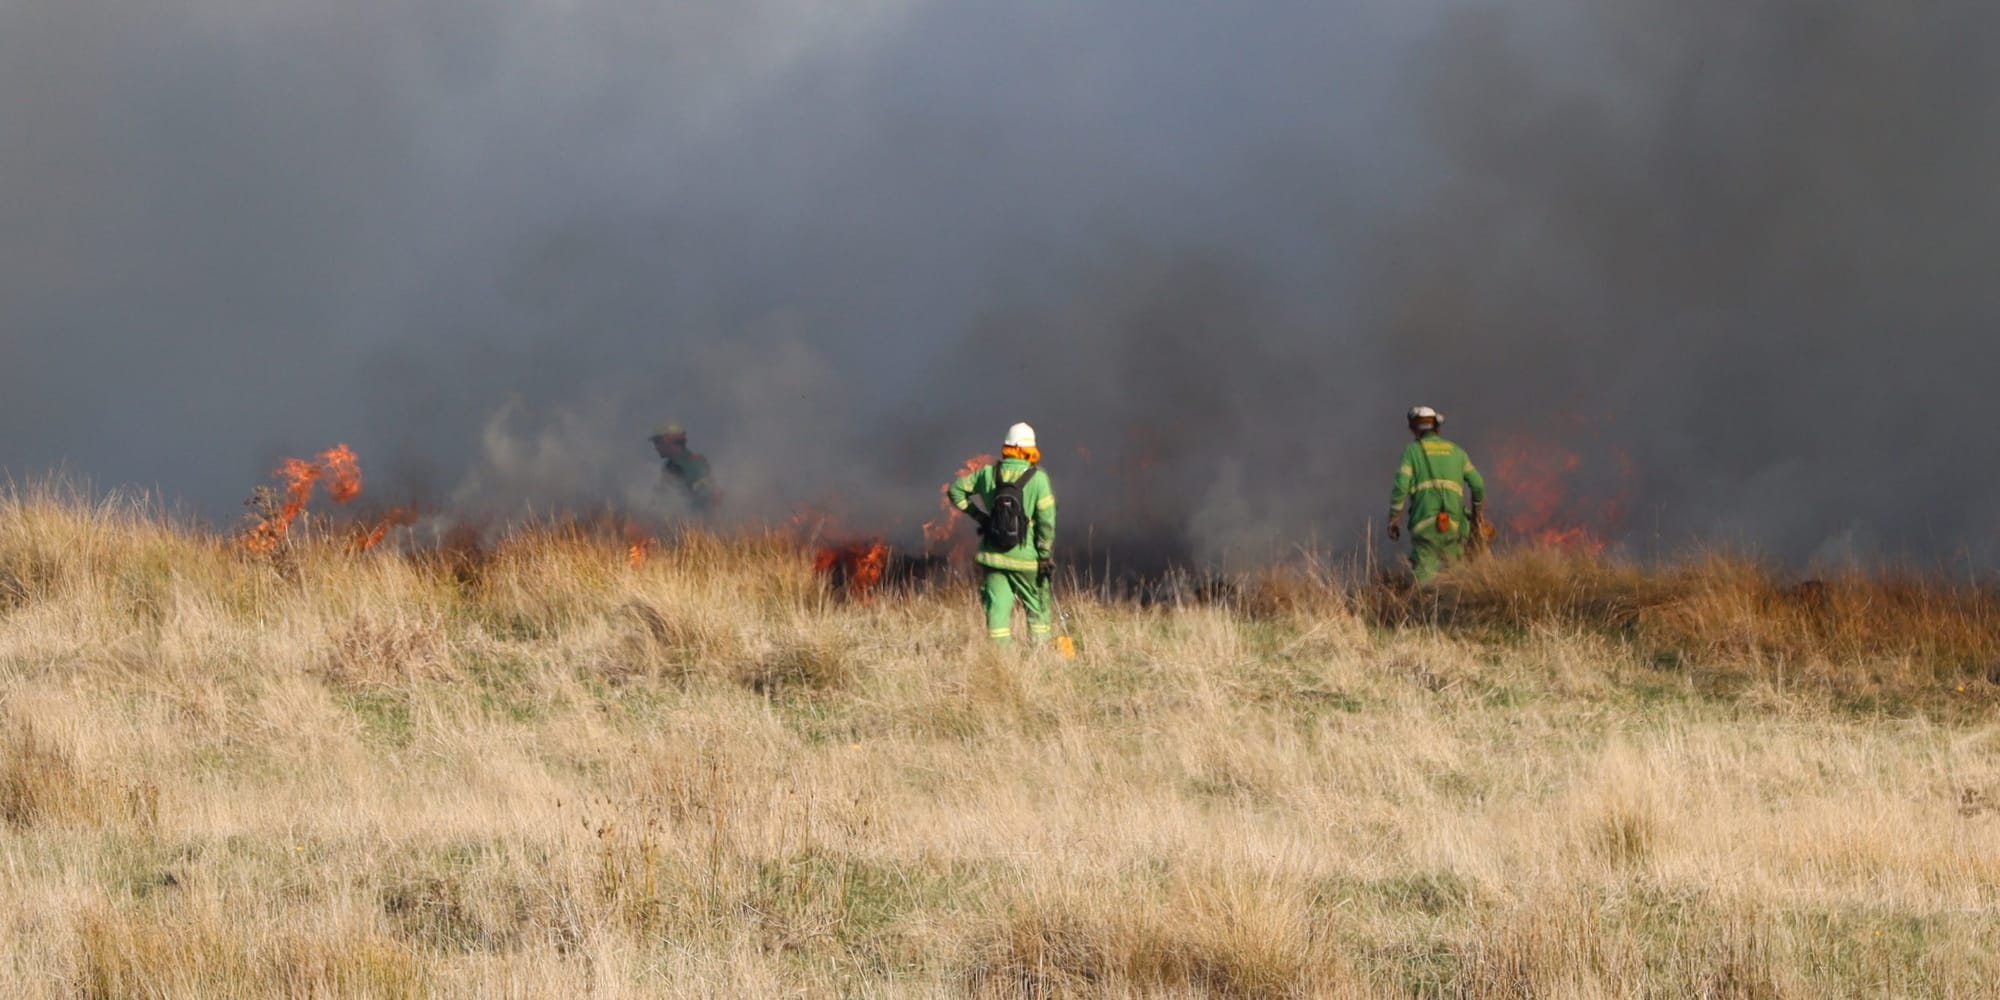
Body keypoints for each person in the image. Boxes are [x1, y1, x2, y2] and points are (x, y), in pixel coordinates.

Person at [948, 422, 1058, 644]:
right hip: (1027, 560)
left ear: (1007, 447)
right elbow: (1047, 523)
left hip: (993, 557)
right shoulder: (1038, 479)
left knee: (997, 616)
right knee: (1038, 611)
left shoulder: (988, 474)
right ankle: (1040, 660)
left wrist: (978, 516)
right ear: (1030, 449)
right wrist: (1044, 554)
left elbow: (955, 491)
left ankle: (1003, 662)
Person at [1387, 406, 1486, 584]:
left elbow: (1401, 486)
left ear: (1413, 429)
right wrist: (1477, 514)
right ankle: (1452, 608)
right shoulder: (1457, 452)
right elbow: (1478, 484)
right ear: (1438, 427)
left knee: (1424, 577)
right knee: (1456, 577)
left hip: (1425, 525)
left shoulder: (1412, 452)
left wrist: (1394, 519)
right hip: (1453, 525)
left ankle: (1424, 608)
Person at [649, 422, 717, 513]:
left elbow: (705, 497)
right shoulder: (669, 467)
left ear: (669, 441)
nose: (656, 447)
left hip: (699, 521)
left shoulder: (694, 463)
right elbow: (661, 498)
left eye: (658, 442)